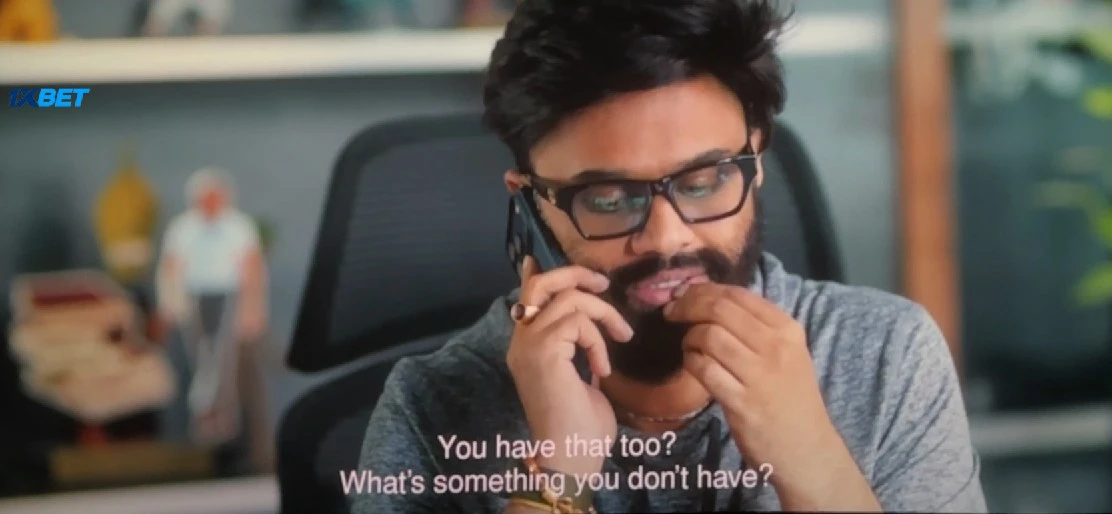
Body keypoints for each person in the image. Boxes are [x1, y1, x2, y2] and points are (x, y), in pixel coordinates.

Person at [351, 1, 987, 512]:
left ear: (757, 161)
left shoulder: (886, 358)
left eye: (704, 183)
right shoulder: (429, 406)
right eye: (608, 199)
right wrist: (559, 477)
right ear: (529, 203)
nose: (666, 237)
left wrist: (814, 464)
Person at [156, 167, 267, 447]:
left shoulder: (238, 226)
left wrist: (252, 307)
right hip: (194, 295)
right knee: (200, 354)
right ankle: (204, 415)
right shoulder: (183, 228)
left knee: (221, 355)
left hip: (228, 293)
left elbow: (252, 268)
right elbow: (171, 267)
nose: (211, 203)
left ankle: (216, 414)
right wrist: (169, 302)